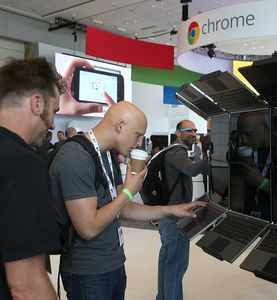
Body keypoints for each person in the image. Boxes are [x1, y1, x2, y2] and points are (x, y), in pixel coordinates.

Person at [49, 102, 205, 300]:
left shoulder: (106, 155)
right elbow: (88, 227)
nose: (139, 142)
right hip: (88, 272)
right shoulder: (76, 158)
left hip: (113, 263)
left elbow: (125, 208)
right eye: (138, 134)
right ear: (120, 125)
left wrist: (173, 210)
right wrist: (129, 191)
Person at [0, 57, 65, 300]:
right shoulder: (22, 164)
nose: (53, 122)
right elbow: (26, 285)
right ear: (37, 103)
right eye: (54, 111)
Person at [154, 120, 209, 300]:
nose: (194, 133)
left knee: (168, 263)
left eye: (195, 130)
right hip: (174, 220)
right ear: (178, 133)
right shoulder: (177, 151)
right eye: (188, 130)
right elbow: (191, 169)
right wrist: (214, 159)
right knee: (176, 267)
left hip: (169, 216)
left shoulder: (175, 152)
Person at [231, 110, 271, 219]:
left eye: (249, 134)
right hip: (248, 218)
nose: (244, 140)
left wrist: (261, 182)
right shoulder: (240, 153)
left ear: (264, 127)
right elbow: (236, 202)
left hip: (275, 220)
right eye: (241, 135)